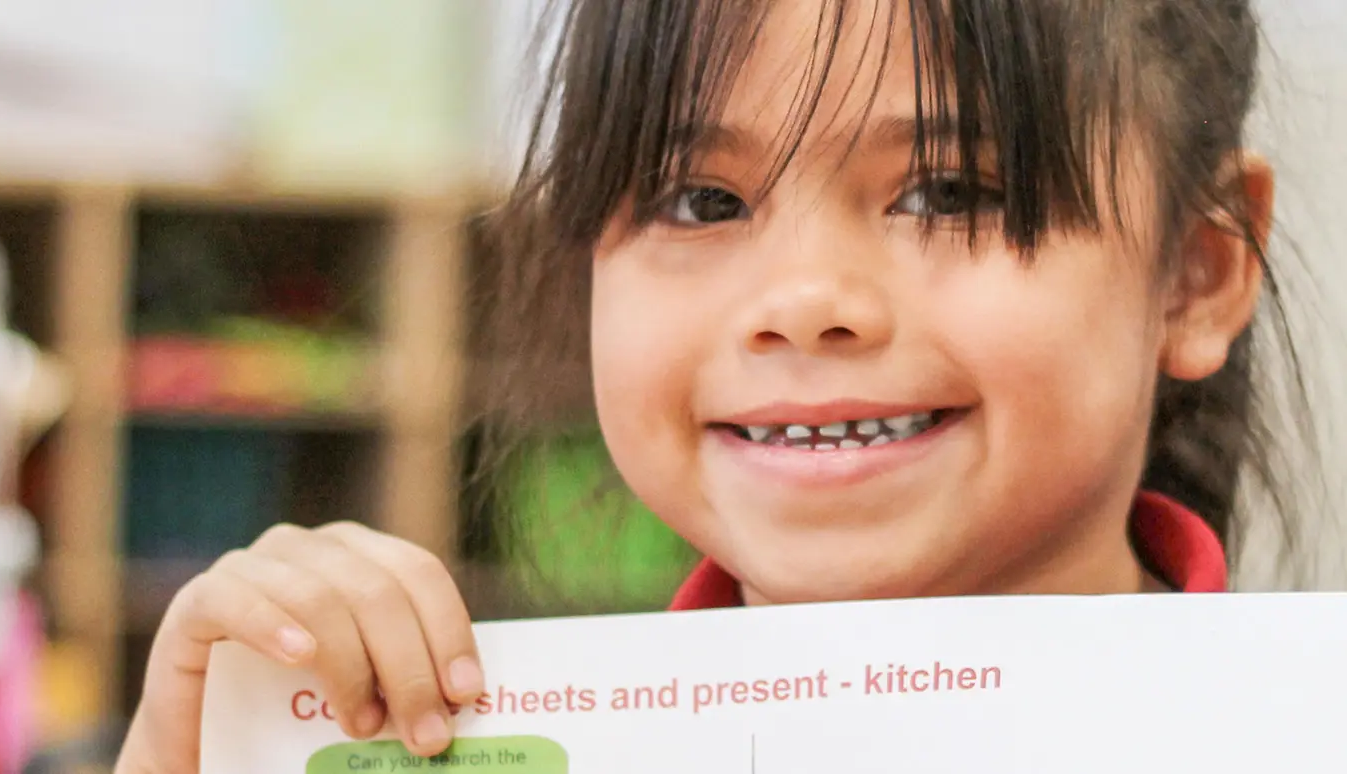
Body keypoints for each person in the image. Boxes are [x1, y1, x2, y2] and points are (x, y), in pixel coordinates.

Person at [117, 0, 1320, 770]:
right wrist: (197, 750)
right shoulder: (476, 740)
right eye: (703, 201)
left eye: (950, 192)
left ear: (1195, 272)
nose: (802, 299)